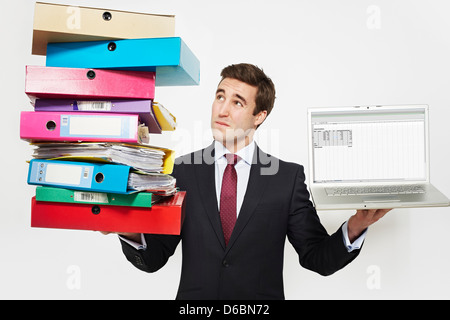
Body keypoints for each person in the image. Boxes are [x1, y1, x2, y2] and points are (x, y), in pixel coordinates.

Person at [106, 63, 391, 300]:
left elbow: (316, 258)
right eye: (220, 96)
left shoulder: (287, 179)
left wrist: (356, 227)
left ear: (259, 116)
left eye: (237, 102)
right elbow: (154, 258)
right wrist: (127, 229)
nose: (223, 110)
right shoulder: (181, 171)